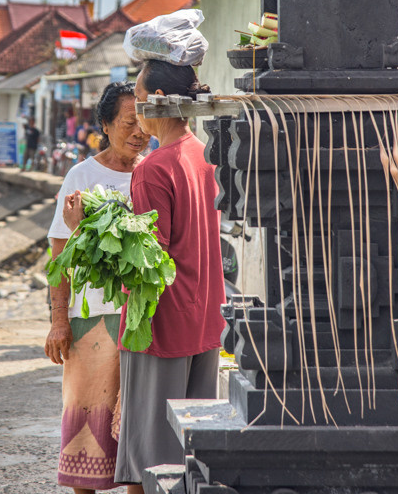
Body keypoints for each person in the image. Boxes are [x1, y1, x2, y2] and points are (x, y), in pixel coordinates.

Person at [112, 60, 225, 492]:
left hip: (159, 327)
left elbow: (147, 259)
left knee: (150, 459)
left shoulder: (153, 167)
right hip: (204, 319)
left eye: (138, 97)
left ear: (158, 100)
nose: (136, 108)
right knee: (192, 454)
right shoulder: (205, 155)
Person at [45, 82, 149, 493]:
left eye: (144, 120)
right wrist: (58, 321)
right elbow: (58, 255)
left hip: (142, 318)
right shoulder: (82, 175)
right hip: (91, 319)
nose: (139, 130)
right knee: (86, 423)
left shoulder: (154, 168)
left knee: (136, 428)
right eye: (128, 121)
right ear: (105, 125)